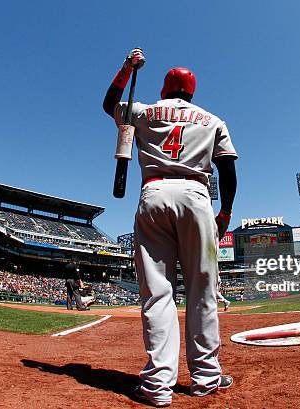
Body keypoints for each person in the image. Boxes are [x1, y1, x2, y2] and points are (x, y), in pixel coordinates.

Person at [103, 49, 238, 407]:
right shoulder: (213, 120)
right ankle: (207, 379)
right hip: (197, 198)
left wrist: (126, 68)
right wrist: (224, 212)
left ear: (165, 89)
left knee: (158, 294)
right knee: (202, 291)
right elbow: (227, 170)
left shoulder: (144, 110)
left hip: (155, 193)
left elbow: (109, 104)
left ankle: (157, 387)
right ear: (192, 92)